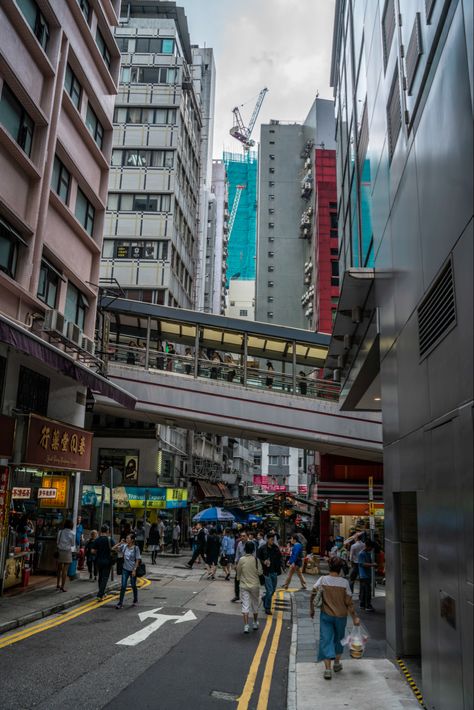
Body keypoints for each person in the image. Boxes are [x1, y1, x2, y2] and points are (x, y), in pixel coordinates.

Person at [310, 556, 360, 680]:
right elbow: (349, 603)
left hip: (326, 615)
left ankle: (327, 669)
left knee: (326, 639)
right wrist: (354, 618)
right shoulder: (344, 583)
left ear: (329, 567)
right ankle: (337, 664)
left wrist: (311, 609)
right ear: (340, 569)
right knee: (339, 639)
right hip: (341, 616)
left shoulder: (322, 580)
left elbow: (313, 592)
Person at [236, 541, 264, 633]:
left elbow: (238, 571)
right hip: (255, 585)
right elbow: (260, 572)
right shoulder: (257, 560)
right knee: (255, 604)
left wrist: (239, 578)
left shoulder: (241, 559)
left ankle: (246, 626)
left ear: (245, 549)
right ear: (253, 550)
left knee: (245, 605)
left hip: (244, 585)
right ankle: (255, 623)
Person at [114, 533, 141, 609]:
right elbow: (113, 548)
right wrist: (120, 543)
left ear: (132, 540)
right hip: (125, 569)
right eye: (126, 538)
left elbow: (137, 560)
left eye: (128, 538)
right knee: (123, 586)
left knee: (133, 585)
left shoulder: (136, 548)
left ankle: (135, 600)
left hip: (132, 570)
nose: (126, 539)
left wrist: (134, 570)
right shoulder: (124, 546)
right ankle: (120, 603)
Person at [257, 532, 282, 615]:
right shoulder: (262, 548)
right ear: (267, 539)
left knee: (272, 591)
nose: (273, 541)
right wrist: (264, 562)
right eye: (271, 539)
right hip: (266, 572)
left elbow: (280, 558)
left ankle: (264, 598)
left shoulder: (276, 548)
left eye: (273, 539)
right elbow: (258, 558)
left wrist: (283, 566)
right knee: (270, 590)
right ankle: (267, 607)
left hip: (274, 572)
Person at [91, 524, 115, 601]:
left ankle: (102, 593)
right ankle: (100, 595)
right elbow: (114, 549)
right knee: (105, 578)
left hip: (98, 561)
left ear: (101, 531)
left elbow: (92, 551)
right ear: (107, 531)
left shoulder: (97, 540)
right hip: (107, 561)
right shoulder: (110, 539)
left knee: (100, 577)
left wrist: (98, 551)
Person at [56, 519, 75, 592]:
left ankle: (57, 584)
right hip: (67, 552)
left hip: (60, 551)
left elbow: (57, 541)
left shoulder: (60, 532)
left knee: (59, 569)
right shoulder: (72, 534)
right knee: (65, 570)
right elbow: (73, 544)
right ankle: (62, 586)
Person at [358, 539, 376, 612]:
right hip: (364, 575)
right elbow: (362, 564)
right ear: (368, 546)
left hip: (366, 575)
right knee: (367, 591)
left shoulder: (367, 553)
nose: (371, 549)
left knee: (364, 591)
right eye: (371, 547)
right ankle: (367, 605)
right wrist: (372, 565)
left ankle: (362, 604)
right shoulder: (361, 554)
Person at [231, 531, 249, 602]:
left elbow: (254, 555)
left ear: (247, 536)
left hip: (248, 565)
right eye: (241, 536)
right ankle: (237, 596)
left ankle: (245, 597)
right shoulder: (239, 544)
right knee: (237, 580)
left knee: (246, 582)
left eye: (244, 536)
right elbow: (237, 554)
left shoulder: (250, 544)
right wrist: (235, 563)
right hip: (240, 565)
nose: (242, 537)